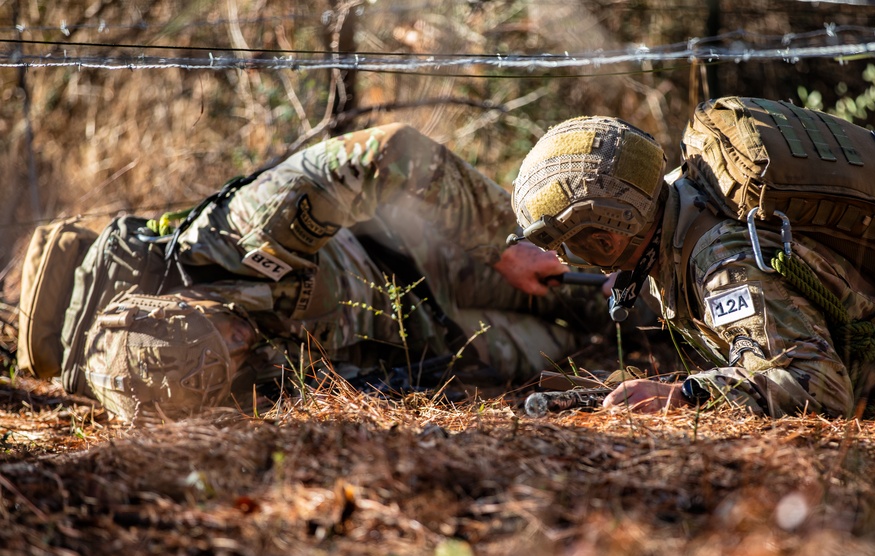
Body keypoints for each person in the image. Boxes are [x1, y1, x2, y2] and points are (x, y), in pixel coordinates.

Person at [31, 123, 610, 422]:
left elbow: (392, 152)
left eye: (228, 332)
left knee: (602, 277)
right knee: (593, 336)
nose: (246, 346)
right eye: (231, 369)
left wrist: (502, 244)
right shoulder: (152, 390)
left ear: (186, 302)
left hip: (425, 257)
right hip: (436, 347)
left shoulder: (235, 238)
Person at [510, 108, 875, 418]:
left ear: (607, 238)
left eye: (561, 241)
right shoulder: (687, 195)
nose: (559, 255)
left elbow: (821, 387)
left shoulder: (723, 266)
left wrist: (687, 395)